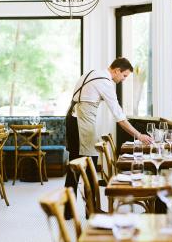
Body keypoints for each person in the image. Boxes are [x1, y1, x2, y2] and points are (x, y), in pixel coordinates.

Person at [64, 58, 152, 192]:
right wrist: (139, 136)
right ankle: (92, 211)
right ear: (117, 70)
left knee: (74, 165)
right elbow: (120, 117)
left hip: (72, 120)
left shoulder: (92, 73)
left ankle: (68, 211)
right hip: (81, 123)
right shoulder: (105, 82)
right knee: (90, 166)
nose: (124, 80)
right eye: (124, 76)